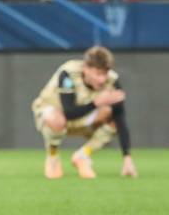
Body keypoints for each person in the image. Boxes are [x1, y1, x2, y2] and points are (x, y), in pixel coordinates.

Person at [32, 46, 137, 179]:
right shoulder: (68, 73)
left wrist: (127, 157)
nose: (102, 79)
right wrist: (97, 103)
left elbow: (120, 117)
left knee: (112, 117)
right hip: (55, 115)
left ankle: (82, 155)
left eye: (105, 73)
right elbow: (68, 112)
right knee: (56, 119)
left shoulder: (113, 80)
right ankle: (52, 156)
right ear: (86, 68)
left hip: (84, 118)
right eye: (98, 73)